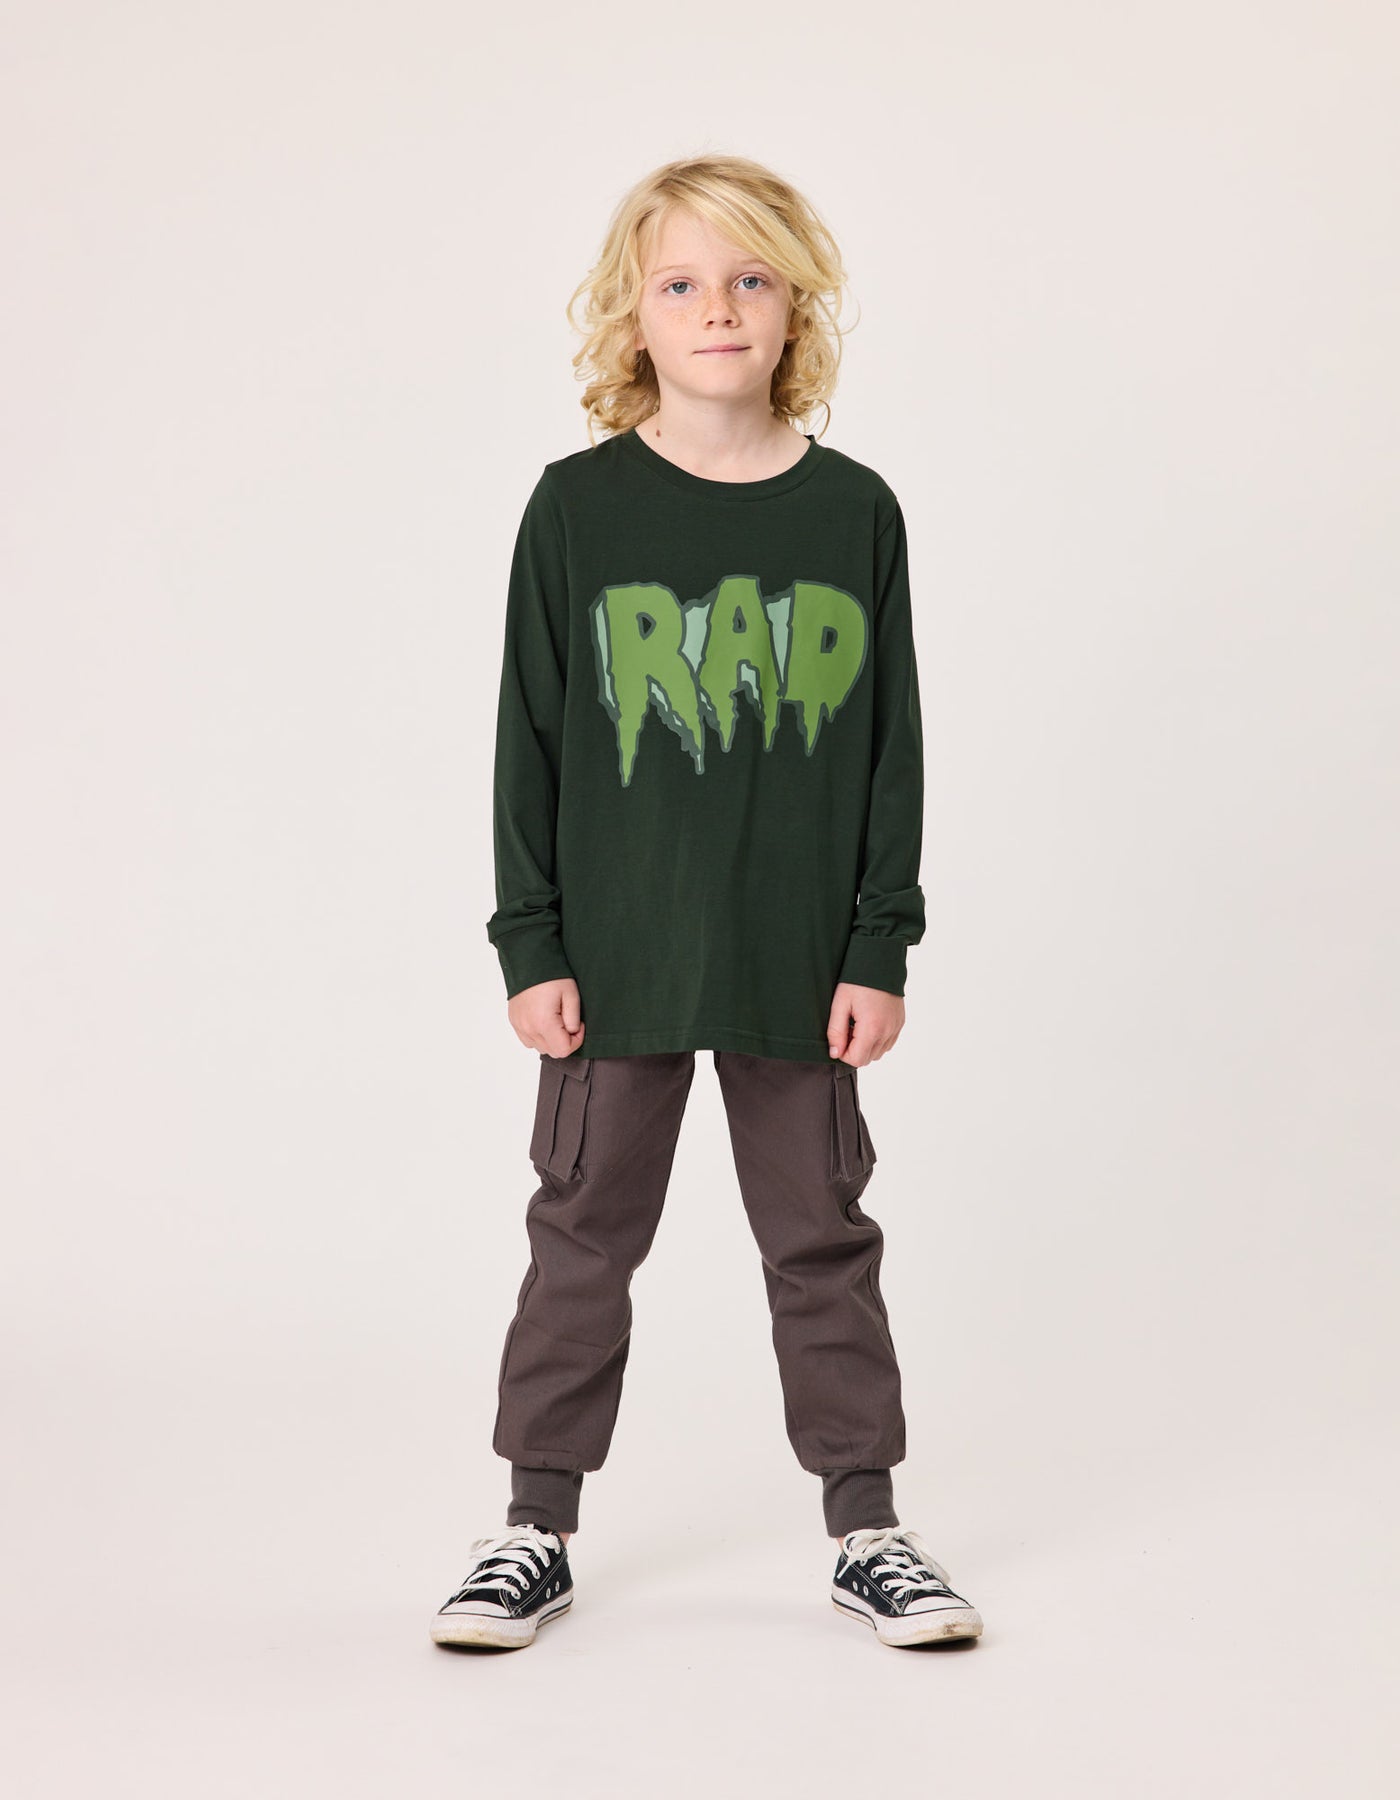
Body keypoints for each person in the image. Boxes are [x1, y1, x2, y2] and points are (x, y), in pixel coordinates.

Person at [431, 154, 983, 1653]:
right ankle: (533, 1526)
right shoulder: (576, 510)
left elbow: (893, 748)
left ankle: (867, 1528)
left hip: (800, 965)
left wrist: (879, 942)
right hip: (612, 964)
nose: (718, 308)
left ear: (796, 303)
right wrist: (531, 942)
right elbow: (527, 741)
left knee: (822, 1242)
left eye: (749, 278)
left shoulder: (855, 514)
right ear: (634, 314)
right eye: (681, 282)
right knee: (582, 1239)